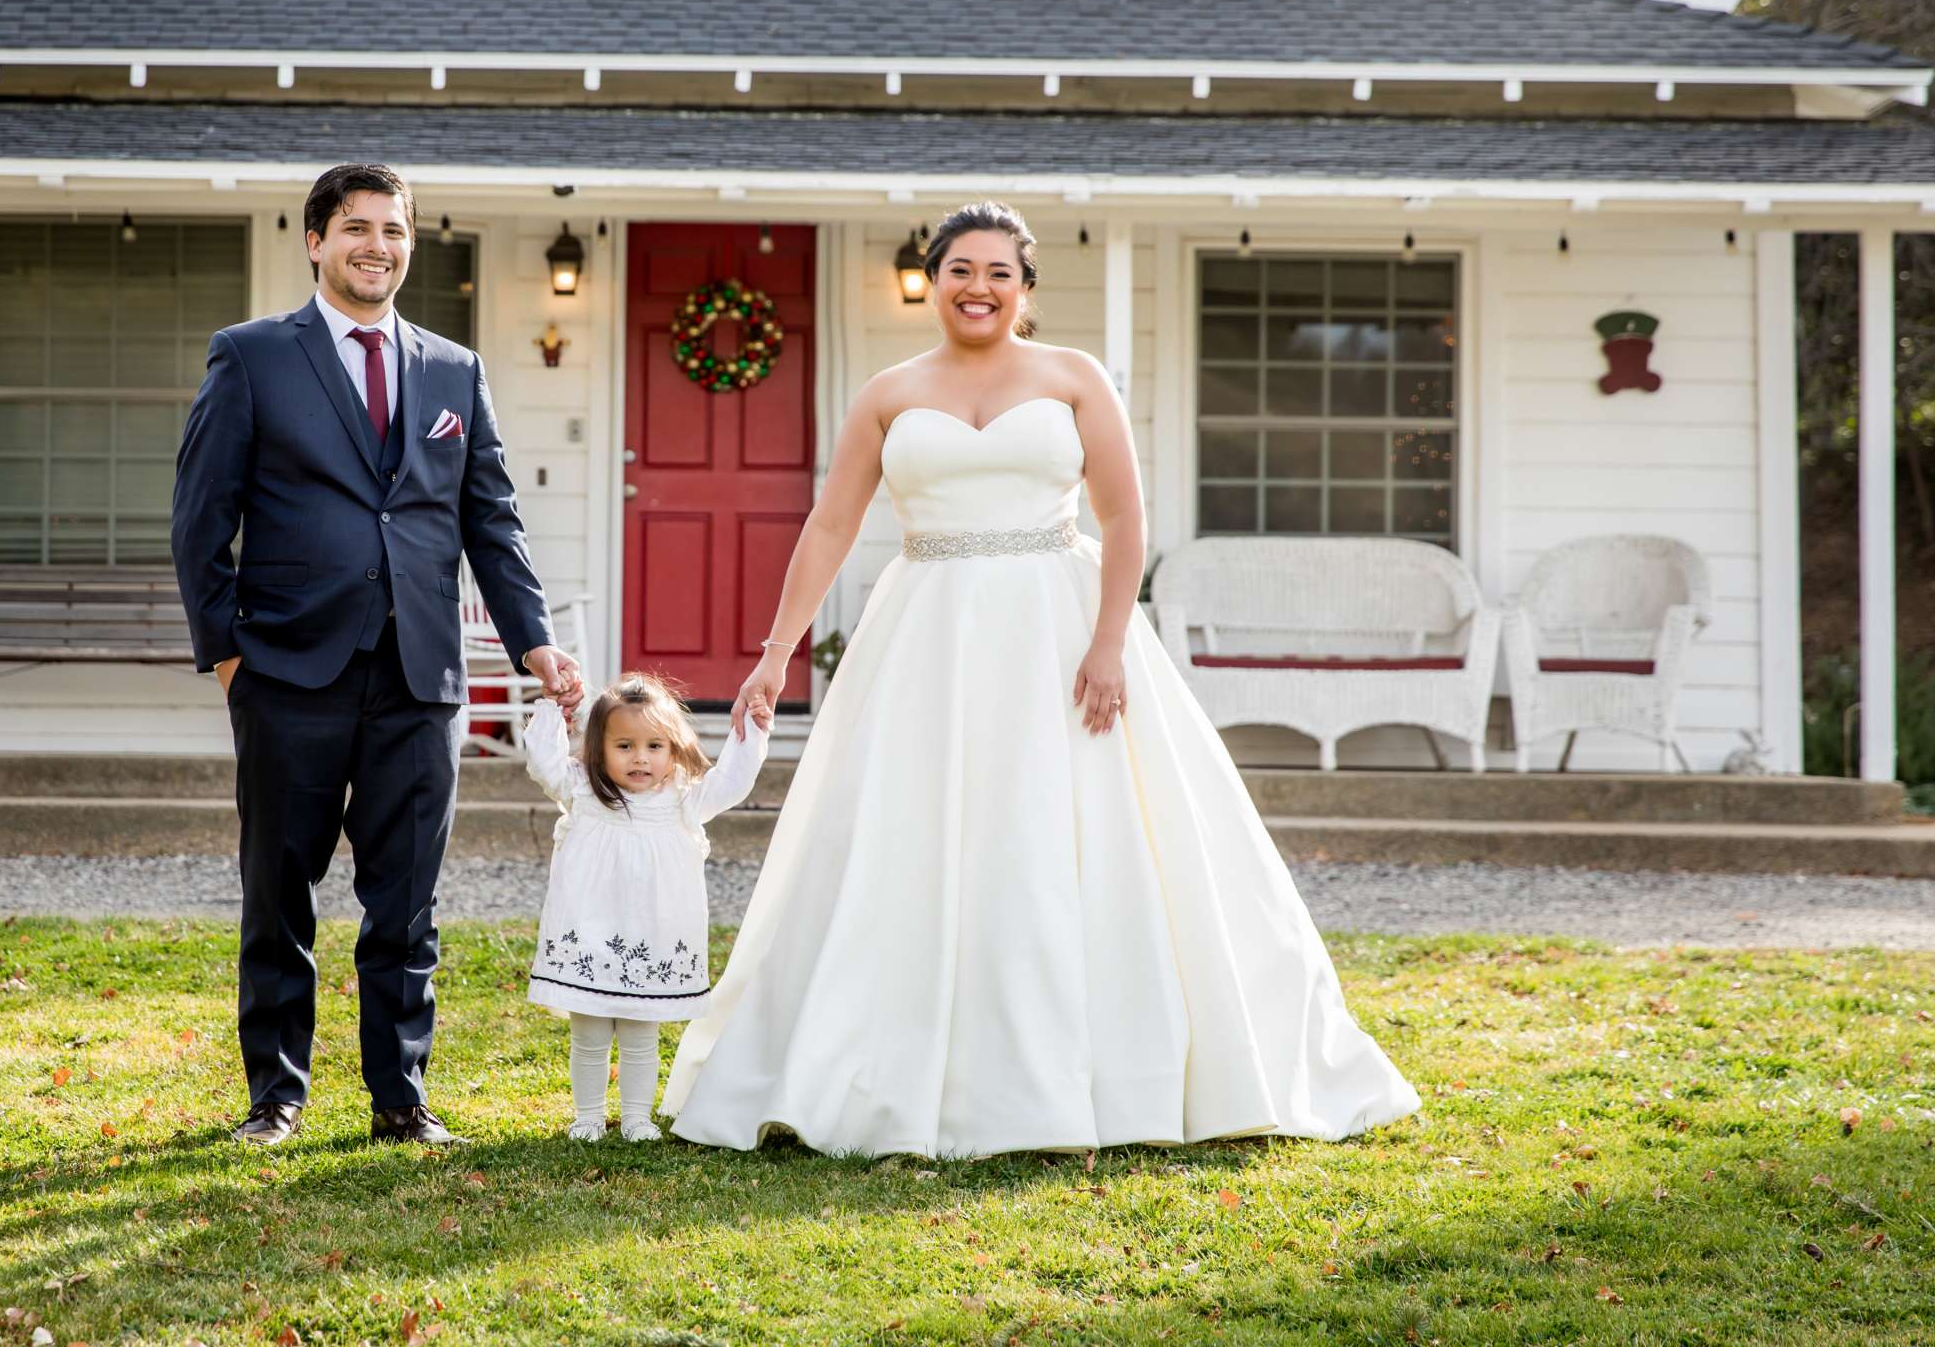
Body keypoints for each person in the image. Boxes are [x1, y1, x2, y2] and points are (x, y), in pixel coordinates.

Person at [662, 201, 1421, 1159]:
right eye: (959, 270)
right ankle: (877, 1064)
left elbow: (1125, 515)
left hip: (1058, 631)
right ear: (930, 278)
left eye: (998, 273)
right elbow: (830, 527)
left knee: (1072, 829)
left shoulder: (1072, 377)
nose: (977, 287)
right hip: (927, 635)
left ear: (1024, 288)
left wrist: (1110, 640)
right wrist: (776, 653)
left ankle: (1111, 1071)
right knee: (917, 832)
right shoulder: (888, 394)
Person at [172, 162, 586, 1149]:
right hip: (287, 674)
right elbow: (200, 522)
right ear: (315, 240)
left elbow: (492, 522)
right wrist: (230, 656)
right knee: (280, 895)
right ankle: (275, 1098)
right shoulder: (252, 357)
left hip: (420, 676)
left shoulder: (455, 371)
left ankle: (400, 1100)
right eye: (357, 228)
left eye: (394, 231)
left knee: (408, 900)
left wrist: (535, 643)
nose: (378, 247)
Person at [520, 674, 772, 1141]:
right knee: (590, 1033)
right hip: (591, 929)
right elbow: (543, 763)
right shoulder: (582, 791)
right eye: (624, 745)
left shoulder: (684, 799)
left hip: (652, 937)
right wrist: (553, 711)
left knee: (641, 1034)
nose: (640, 758)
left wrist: (752, 730)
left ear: (674, 748)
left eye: (654, 745)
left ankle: (638, 1117)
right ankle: (589, 1117)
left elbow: (733, 781)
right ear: (598, 749)